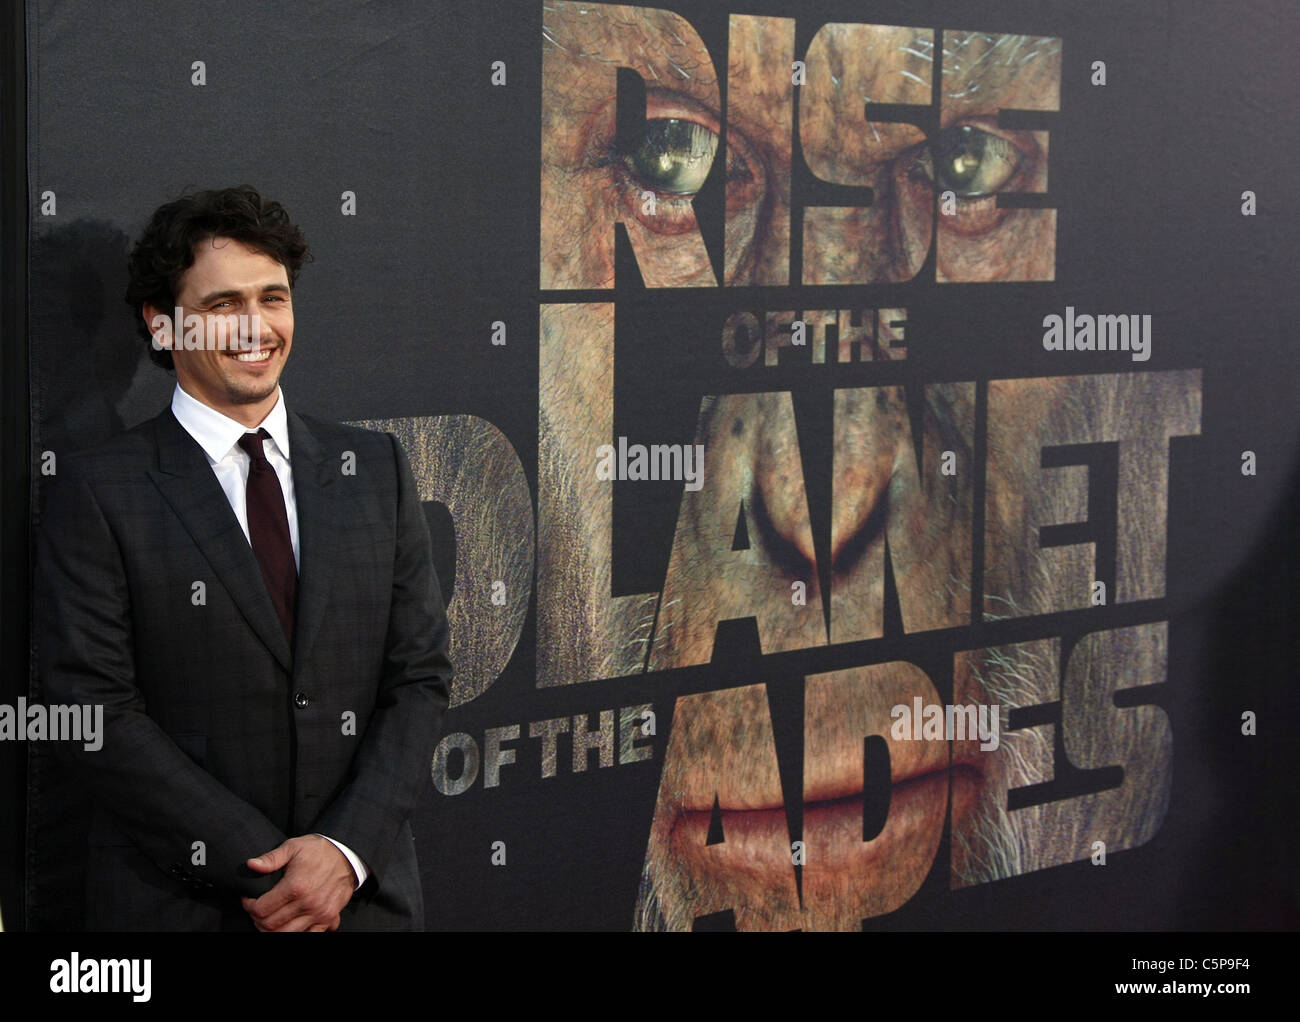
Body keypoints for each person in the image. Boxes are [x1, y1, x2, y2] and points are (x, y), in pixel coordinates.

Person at [36, 185, 452, 931]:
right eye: (223, 305)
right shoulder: (99, 491)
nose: (256, 328)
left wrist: (343, 852)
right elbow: (92, 711)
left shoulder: (375, 468)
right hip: (186, 907)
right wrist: (273, 871)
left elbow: (419, 678)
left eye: (274, 297)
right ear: (161, 326)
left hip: (360, 903)